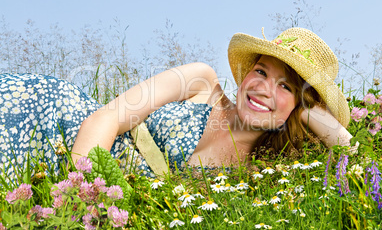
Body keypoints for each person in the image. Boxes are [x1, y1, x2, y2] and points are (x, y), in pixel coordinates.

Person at [0, 27, 352, 180]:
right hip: (53, 120)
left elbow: (352, 155)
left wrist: (308, 111)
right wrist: (83, 196)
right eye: (260, 70)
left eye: (285, 86)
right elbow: (105, 119)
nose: (262, 88)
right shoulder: (200, 82)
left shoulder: (264, 175)